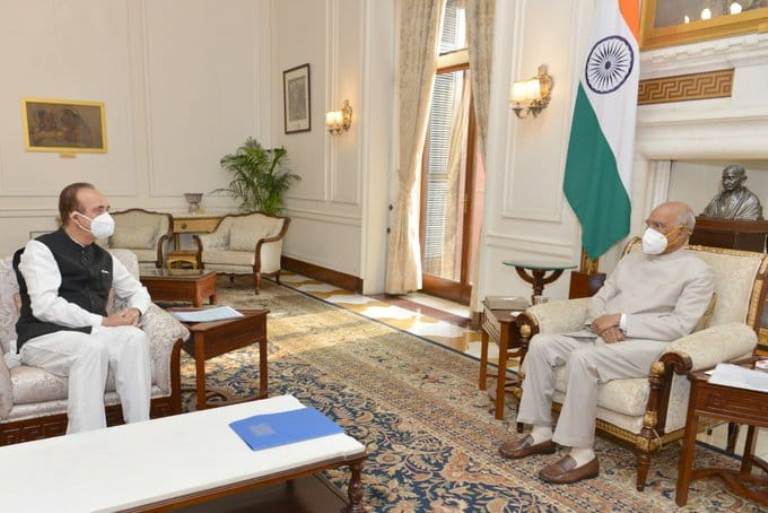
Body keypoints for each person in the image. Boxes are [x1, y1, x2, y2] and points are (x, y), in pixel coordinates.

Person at [499, 201, 715, 484]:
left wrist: (621, 321)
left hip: (648, 345)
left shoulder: (698, 271)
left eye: (660, 226)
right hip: (601, 333)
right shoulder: (632, 258)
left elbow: (680, 325)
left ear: (683, 232)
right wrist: (603, 322)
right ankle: (541, 433)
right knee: (541, 344)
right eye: (649, 224)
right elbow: (600, 297)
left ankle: (582, 454)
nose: (650, 232)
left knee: (584, 359)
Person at [13, 182, 152, 434]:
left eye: (107, 209)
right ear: (74, 217)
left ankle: (140, 431)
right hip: (43, 336)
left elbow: (137, 291)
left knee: (134, 338)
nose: (106, 216)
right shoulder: (40, 249)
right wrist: (103, 321)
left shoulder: (105, 257)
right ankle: (87, 441)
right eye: (98, 210)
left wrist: (136, 311)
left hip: (91, 333)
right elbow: (45, 307)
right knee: (90, 348)